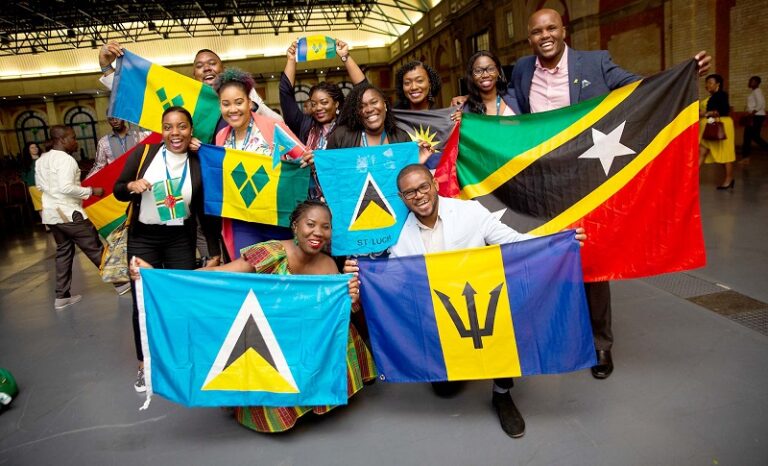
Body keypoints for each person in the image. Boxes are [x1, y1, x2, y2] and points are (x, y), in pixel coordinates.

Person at [507, 8, 710, 380]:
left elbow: (641, 88)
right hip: (541, 183)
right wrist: (469, 108)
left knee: (592, 260)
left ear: (564, 30)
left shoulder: (595, 62)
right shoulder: (522, 70)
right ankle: (560, 334)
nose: (545, 35)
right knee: (546, 257)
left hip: (588, 180)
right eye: (537, 31)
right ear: (529, 38)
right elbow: (507, 107)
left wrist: (681, 76)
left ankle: (600, 343)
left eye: (551, 28)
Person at [344, 164, 585, 438]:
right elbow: (396, 282)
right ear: (402, 198)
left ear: (435, 184)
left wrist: (556, 243)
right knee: (445, 389)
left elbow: (515, 243)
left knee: (500, 331)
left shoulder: (470, 212)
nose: (419, 195)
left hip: (481, 302)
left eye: (423, 187)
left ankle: (502, 393)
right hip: (439, 311)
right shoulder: (400, 235)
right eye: (410, 192)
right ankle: (460, 363)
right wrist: (362, 277)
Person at [130, 200, 376, 433]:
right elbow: (220, 273)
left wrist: (351, 297)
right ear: (295, 226)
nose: (318, 232)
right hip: (272, 339)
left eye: (325, 227)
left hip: (303, 337)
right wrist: (156, 275)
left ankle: (317, 392)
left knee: (340, 332)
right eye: (310, 224)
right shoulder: (271, 252)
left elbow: (338, 314)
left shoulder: (329, 266)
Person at [113, 106, 221, 393]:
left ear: (191, 130)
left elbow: (206, 212)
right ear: (161, 130)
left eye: (182, 126)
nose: (175, 132)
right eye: (168, 127)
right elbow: (118, 189)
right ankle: (144, 364)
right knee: (142, 301)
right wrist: (132, 185)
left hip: (180, 239)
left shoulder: (198, 163)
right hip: (143, 239)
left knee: (181, 298)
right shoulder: (144, 154)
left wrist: (213, 251)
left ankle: (182, 357)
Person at [212, 68, 309, 256]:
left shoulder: (273, 128)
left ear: (250, 102)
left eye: (239, 102)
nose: (233, 109)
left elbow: (302, 155)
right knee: (248, 266)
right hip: (243, 220)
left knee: (280, 268)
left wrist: (308, 159)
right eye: (226, 104)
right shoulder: (221, 137)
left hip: (277, 217)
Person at [34, 126, 129, 310]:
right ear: (62, 140)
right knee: (95, 248)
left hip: (51, 215)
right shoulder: (66, 160)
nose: (76, 142)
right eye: (73, 138)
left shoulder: (42, 160)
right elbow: (66, 188)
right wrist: (92, 191)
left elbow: (40, 187)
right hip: (70, 214)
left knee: (63, 253)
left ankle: (61, 297)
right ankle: (121, 284)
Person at [97, 42, 282, 124]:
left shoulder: (241, 91)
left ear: (223, 69)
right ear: (194, 75)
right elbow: (136, 94)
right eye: (200, 66)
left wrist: (253, 106)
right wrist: (106, 66)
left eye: (212, 63)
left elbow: (277, 122)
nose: (207, 68)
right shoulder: (186, 97)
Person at [280, 38, 365, 198]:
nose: (318, 108)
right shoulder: (304, 125)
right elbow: (286, 93)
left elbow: (363, 89)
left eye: (324, 102)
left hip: (345, 193)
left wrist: (345, 57)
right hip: (311, 198)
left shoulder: (347, 124)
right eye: (314, 104)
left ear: (336, 104)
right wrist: (291, 60)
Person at [327, 82, 432, 164]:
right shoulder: (340, 136)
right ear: (356, 112)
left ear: (384, 105)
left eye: (374, 102)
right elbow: (329, 173)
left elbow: (407, 176)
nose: (369, 109)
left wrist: (415, 162)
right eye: (361, 106)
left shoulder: (401, 137)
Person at [699, 74, 736, 189]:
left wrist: (705, 113)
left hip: (722, 126)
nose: (707, 85)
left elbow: (721, 111)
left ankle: (728, 180)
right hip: (711, 126)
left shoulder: (721, 95)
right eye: (707, 83)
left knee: (725, 154)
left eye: (710, 83)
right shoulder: (712, 97)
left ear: (718, 84)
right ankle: (690, 178)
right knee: (702, 151)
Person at [463, 50, 519, 116]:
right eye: (478, 71)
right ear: (471, 76)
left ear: (498, 72)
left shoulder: (517, 97)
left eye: (491, 69)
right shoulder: (464, 111)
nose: (485, 75)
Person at [741, 76, 767, 163]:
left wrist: (751, 114)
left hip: (756, 116)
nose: (750, 83)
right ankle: (746, 157)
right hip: (756, 116)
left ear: (757, 83)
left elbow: (761, 104)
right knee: (753, 136)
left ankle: (746, 157)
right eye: (750, 81)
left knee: (749, 136)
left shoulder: (757, 91)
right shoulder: (754, 92)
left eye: (753, 81)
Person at [19, 142, 44, 223]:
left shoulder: (43, 159)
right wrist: (30, 181)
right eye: (32, 147)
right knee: (40, 206)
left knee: (50, 205)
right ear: (28, 150)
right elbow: (23, 176)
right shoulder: (26, 162)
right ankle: (47, 225)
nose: (35, 149)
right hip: (34, 186)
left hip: (46, 185)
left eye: (36, 147)